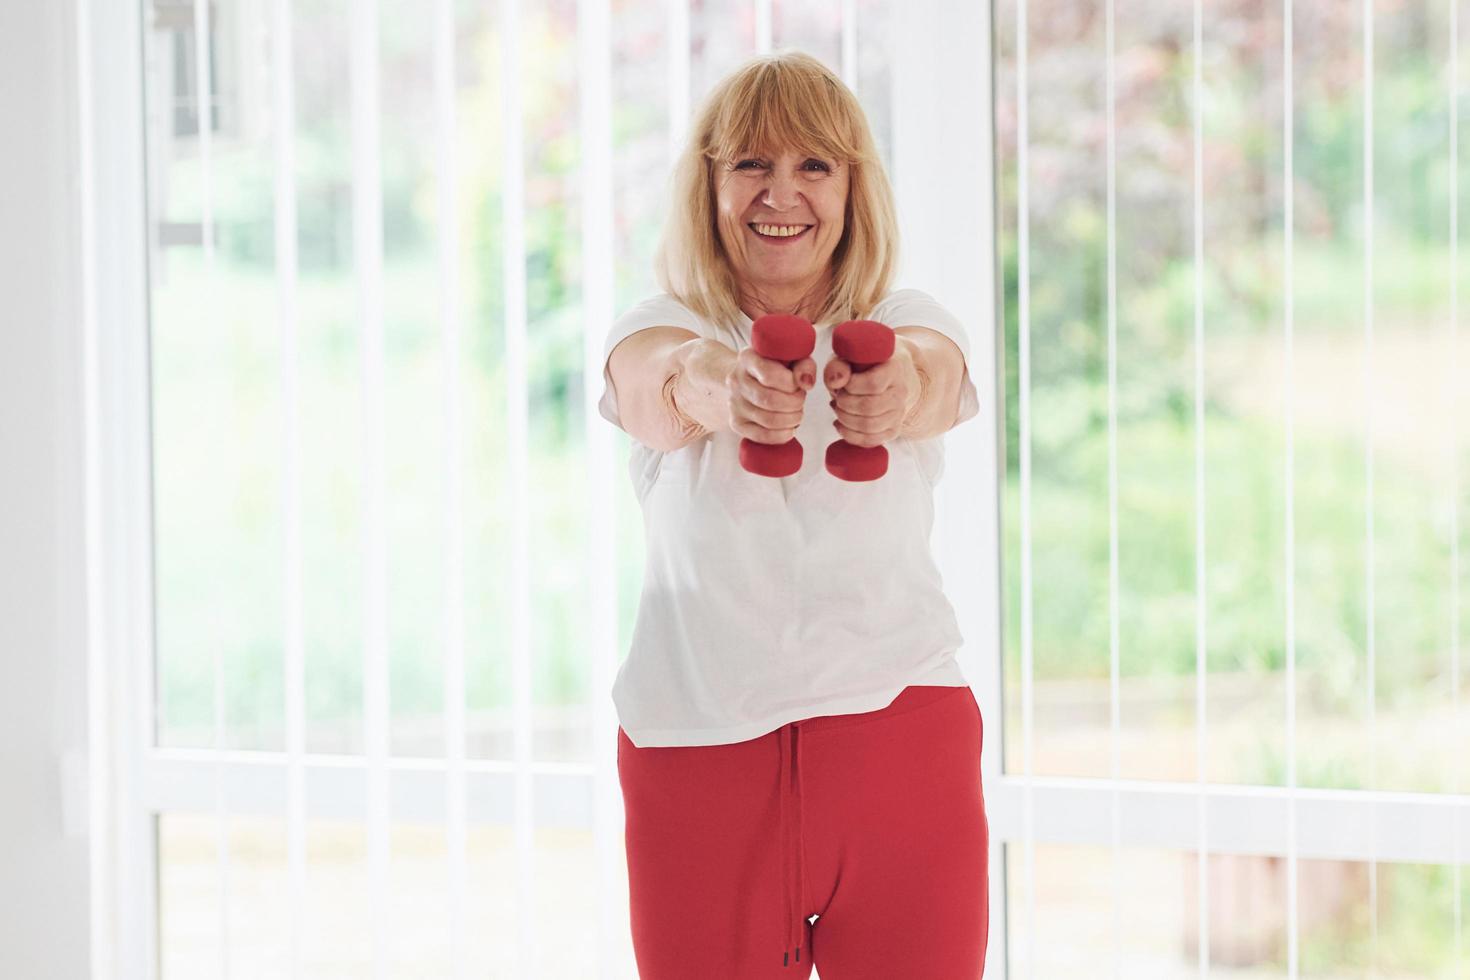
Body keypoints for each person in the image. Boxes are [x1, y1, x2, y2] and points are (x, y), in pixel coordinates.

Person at [599, 50, 988, 978]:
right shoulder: (660, 325)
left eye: (814, 165)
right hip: (696, 757)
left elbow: (932, 374)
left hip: (900, 740)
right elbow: (655, 383)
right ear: (712, 186)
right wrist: (715, 388)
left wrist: (891, 388)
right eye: (752, 165)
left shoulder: (904, 317)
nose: (783, 193)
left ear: (854, 188)